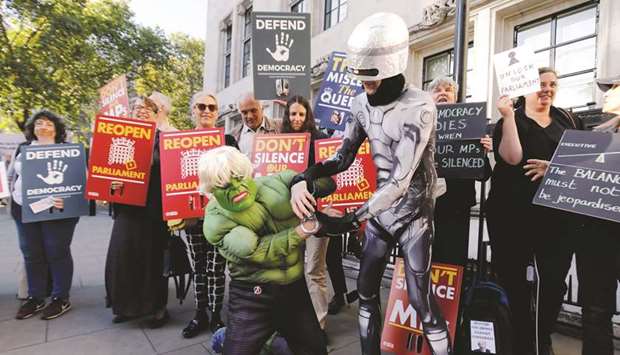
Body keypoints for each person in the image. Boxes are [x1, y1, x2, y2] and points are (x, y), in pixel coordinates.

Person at [290, 13, 452, 355]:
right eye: (361, 80)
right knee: (364, 292)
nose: (366, 88)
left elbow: (401, 179)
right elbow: (343, 157)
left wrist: (349, 220)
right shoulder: (360, 103)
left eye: (372, 80)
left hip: (413, 211)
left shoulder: (420, 106)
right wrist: (306, 175)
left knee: (420, 300)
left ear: (391, 70)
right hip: (380, 212)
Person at [198, 146, 338, 355]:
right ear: (211, 190)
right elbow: (258, 251)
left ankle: (272, 342)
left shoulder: (276, 182)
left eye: (238, 177)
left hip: (294, 289)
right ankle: (230, 338)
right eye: (224, 184)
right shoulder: (215, 220)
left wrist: (301, 184)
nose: (236, 188)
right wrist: (305, 229)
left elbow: (328, 182)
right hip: (250, 296)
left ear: (248, 173)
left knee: (315, 350)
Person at [486, 67, 586, 355]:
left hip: (555, 217)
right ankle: (520, 341)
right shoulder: (510, 118)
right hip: (510, 215)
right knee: (513, 279)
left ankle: (541, 337)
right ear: (525, 88)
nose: (547, 89)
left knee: (554, 282)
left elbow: (585, 163)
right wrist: (506, 116)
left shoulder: (569, 120)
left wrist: (553, 170)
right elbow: (512, 157)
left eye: (553, 84)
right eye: (541, 84)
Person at [104, 96, 176, 328]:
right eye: (137, 108)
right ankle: (125, 307)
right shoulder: (120, 136)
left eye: (148, 108)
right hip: (127, 209)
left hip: (155, 209)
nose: (142, 111)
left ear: (157, 113)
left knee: (154, 259)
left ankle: (157, 308)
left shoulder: (164, 138)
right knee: (123, 257)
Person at [9, 110, 79, 320]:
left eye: (49, 123)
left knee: (57, 251)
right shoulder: (23, 149)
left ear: (57, 129)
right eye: (39, 123)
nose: (43, 126)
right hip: (24, 207)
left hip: (58, 209)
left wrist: (67, 199)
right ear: (32, 129)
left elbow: (79, 180)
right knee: (32, 253)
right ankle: (36, 297)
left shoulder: (68, 150)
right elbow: (12, 175)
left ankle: (60, 298)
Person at [178, 91, 237, 338]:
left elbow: (239, 177)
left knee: (216, 267)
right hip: (191, 217)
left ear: (217, 112)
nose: (206, 111)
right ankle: (199, 313)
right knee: (198, 267)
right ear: (193, 110)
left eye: (211, 107)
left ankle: (215, 315)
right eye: (201, 106)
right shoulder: (179, 141)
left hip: (219, 216)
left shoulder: (228, 141)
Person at [427, 76, 492, 267]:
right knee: (423, 255)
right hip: (423, 202)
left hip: (456, 204)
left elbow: (484, 174)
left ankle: (451, 296)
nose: (443, 93)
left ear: (455, 97)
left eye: (448, 90)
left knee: (452, 257)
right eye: (437, 90)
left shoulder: (470, 125)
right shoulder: (419, 124)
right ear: (430, 97)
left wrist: (482, 152)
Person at [280, 95, 330, 333]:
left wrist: (303, 186)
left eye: (301, 114)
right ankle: (294, 323)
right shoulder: (279, 142)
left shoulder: (320, 141)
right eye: (292, 114)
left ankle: (318, 326)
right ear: (287, 116)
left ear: (307, 115)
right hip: (287, 217)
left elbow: (331, 181)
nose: (297, 118)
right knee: (291, 269)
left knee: (314, 270)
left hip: (315, 214)